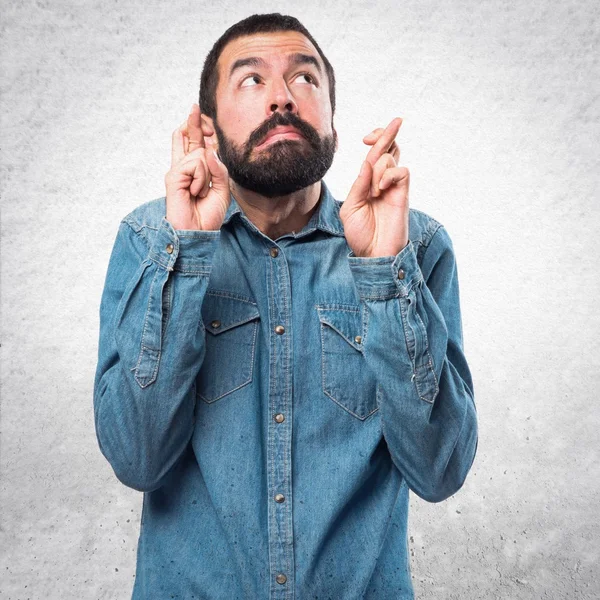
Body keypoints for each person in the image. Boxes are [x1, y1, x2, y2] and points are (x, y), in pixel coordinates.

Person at [93, 12, 478, 599]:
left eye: (305, 79)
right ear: (208, 129)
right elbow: (136, 460)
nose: (281, 98)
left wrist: (384, 273)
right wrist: (187, 252)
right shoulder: (150, 242)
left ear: (332, 122)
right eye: (251, 80)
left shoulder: (412, 247)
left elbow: (440, 471)